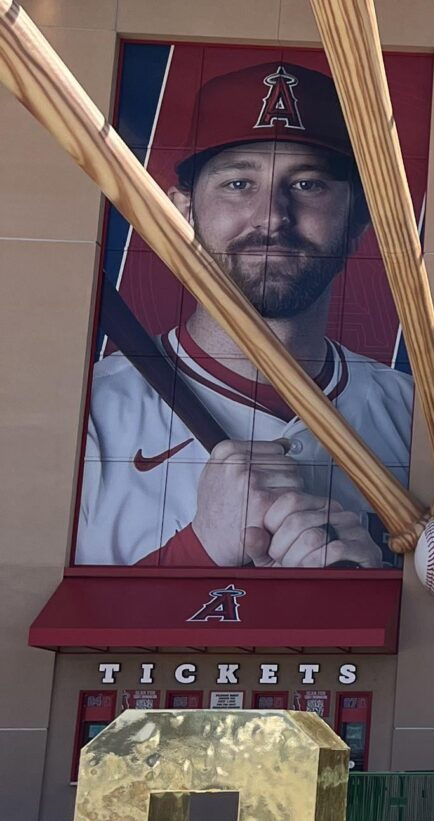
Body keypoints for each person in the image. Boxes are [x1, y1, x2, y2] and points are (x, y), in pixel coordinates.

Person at [75, 61, 413, 568]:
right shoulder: (86, 418)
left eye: (308, 185)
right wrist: (199, 550)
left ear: (358, 223)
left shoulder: (415, 420)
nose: (272, 216)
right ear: (183, 214)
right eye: (238, 183)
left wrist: (382, 590)